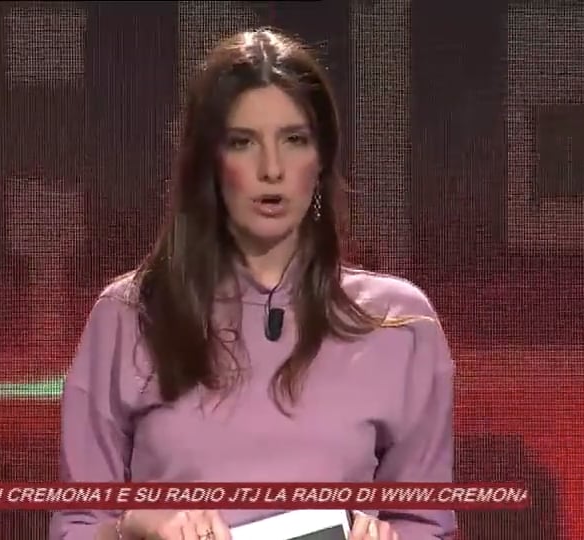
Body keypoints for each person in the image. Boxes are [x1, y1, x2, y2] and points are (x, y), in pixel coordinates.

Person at [50, 27, 456, 540]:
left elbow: (427, 524)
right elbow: (77, 526)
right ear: (210, 163)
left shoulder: (399, 324)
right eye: (243, 143)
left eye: (294, 140)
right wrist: (135, 527)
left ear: (321, 159)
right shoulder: (131, 314)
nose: (271, 169)